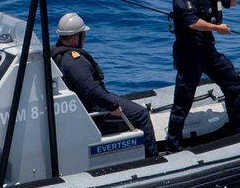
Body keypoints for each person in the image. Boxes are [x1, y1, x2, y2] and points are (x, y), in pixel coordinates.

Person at [167, 0, 240, 152]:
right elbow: (192, 22)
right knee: (182, 103)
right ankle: (173, 148)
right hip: (189, 55)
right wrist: (217, 28)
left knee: (234, 84)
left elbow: (230, 1)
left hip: (208, 52)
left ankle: (238, 133)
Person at [52, 12, 159, 159]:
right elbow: (91, 90)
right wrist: (112, 105)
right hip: (94, 109)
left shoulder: (57, 54)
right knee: (142, 115)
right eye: (83, 34)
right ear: (76, 38)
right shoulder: (74, 61)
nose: (85, 37)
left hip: (85, 105)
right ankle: (152, 159)